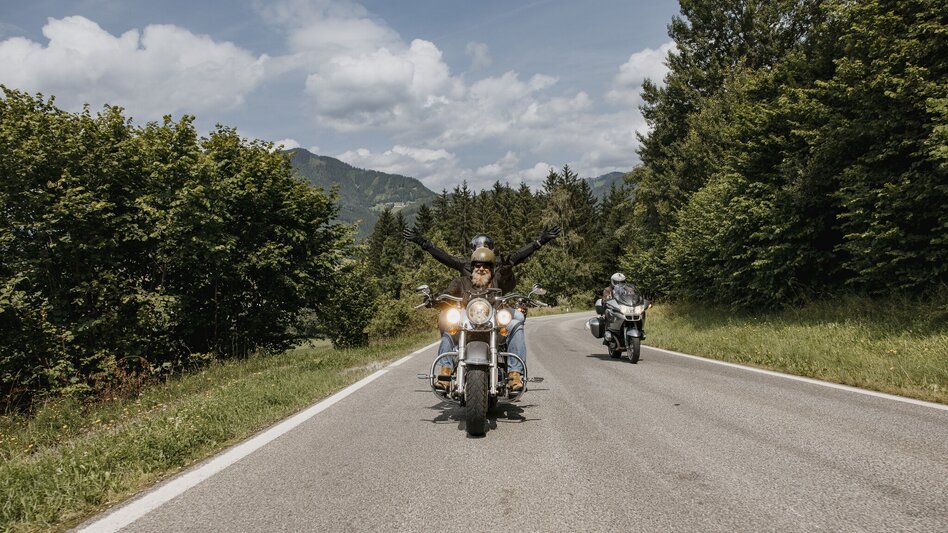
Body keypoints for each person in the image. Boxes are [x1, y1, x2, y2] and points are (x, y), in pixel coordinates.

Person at [434, 246, 528, 392]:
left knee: (516, 325)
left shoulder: (497, 280)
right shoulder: (461, 282)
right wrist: (436, 299)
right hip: (467, 326)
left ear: (492, 268)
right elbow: (447, 295)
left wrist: (508, 272)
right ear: (472, 268)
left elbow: (508, 283)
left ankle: (514, 374)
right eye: (478, 265)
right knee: (449, 325)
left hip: (494, 326)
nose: (481, 269)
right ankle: (445, 372)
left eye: (486, 266)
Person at [402, 226, 560, 293]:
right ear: (472, 250)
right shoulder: (464, 264)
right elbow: (445, 257)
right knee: (446, 322)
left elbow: (519, 254)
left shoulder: (501, 263)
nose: (482, 250)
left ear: (492, 249)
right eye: (478, 247)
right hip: (469, 308)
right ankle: (447, 355)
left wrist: (541, 241)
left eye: (485, 246)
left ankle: (515, 357)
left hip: (496, 306)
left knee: (517, 320)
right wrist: (423, 243)